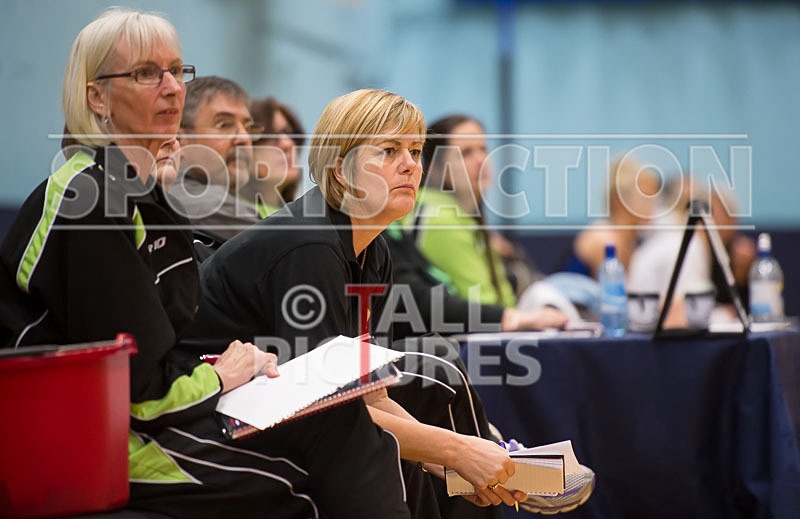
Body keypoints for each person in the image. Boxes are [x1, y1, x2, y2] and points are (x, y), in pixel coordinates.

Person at [0, 9, 411, 518]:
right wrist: (221, 378)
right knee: (299, 484)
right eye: (147, 73)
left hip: (131, 414)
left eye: (177, 70)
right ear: (96, 98)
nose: (173, 88)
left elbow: (157, 355)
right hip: (77, 435)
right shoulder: (91, 198)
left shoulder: (137, 193)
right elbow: (137, 392)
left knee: (353, 437)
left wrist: (224, 367)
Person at [184, 89, 528, 515]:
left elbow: (367, 394)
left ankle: (510, 470)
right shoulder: (308, 245)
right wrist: (455, 450)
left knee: (430, 443)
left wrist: (449, 456)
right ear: (341, 170)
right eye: (388, 150)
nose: (410, 165)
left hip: (291, 406)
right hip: (207, 414)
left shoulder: (373, 248)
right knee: (390, 438)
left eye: (416, 151)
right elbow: (329, 409)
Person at [402, 114, 568, 331]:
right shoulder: (439, 216)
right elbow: (486, 302)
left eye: (483, 149)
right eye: (466, 153)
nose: (481, 160)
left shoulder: (455, 212)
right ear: (436, 168)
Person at [171, 75, 263, 241]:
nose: (243, 138)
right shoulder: (195, 201)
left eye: (248, 127)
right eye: (224, 124)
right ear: (179, 138)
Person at [565, 154, 660, 278]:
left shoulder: (632, 238)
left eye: (653, 198)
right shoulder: (606, 239)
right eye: (644, 198)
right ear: (619, 201)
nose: (651, 206)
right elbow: (612, 293)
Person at [247, 96, 306, 215]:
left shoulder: (294, 216)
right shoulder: (233, 218)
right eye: (271, 135)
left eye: (290, 133)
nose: (288, 144)